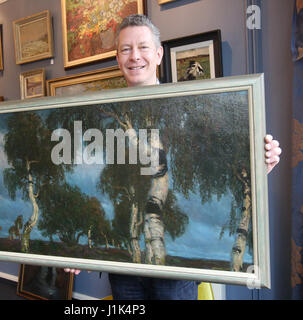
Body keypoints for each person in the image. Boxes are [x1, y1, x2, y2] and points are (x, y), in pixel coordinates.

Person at [65, 14, 282, 299]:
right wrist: (75, 246)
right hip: (123, 261)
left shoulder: (190, 108)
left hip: (175, 265)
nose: (134, 57)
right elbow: (93, 184)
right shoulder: (104, 116)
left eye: (142, 47)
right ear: (117, 58)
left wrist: (258, 167)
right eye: (126, 49)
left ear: (158, 54)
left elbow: (216, 170)